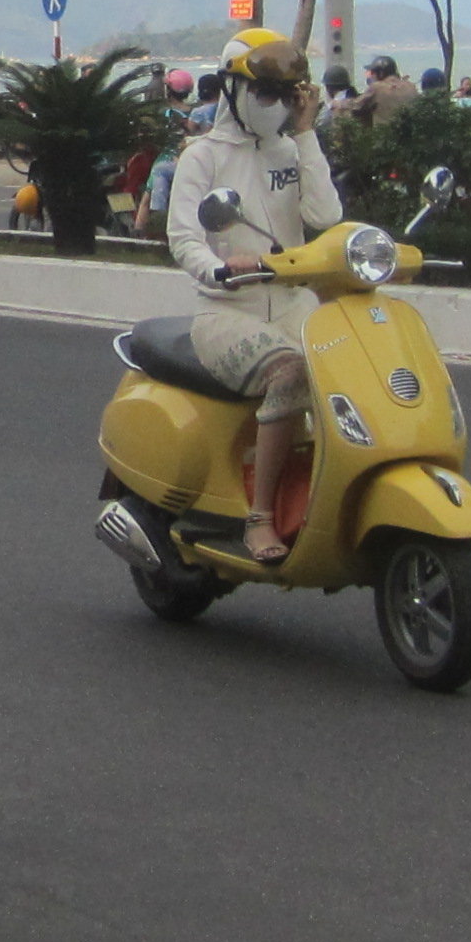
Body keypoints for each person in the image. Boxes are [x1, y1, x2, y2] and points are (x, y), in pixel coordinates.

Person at [165, 30, 336, 564]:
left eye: (287, 95)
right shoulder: (203, 156)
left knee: (350, 369)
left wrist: (306, 135)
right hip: (226, 310)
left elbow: (326, 219)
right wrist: (219, 270)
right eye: (265, 93)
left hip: (293, 301)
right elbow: (183, 236)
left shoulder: (292, 150)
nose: (276, 106)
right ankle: (259, 516)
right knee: (288, 372)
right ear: (234, 90)